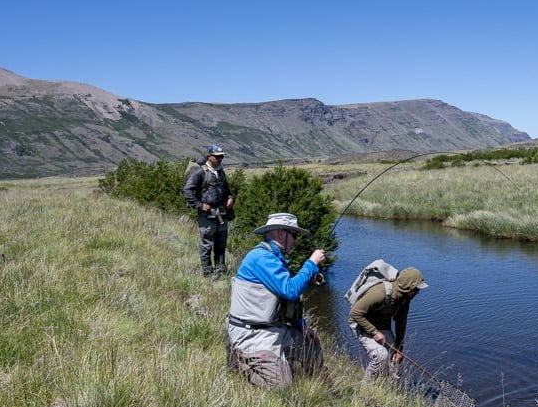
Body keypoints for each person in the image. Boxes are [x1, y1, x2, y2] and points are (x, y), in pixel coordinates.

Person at [226, 213, 327, 389]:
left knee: (311, 346)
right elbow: (290, 290)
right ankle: (241, 362)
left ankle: (321, 389)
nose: (295, 241)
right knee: (282, 386)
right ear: (281, 234)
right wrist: (311, 263)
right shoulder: (261, 258)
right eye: (294, 235)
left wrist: (301, 326)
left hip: (269, 328)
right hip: (251, 334)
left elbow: (284, 303)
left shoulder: (274, 258)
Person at [349, 267, 427, 381]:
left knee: (395, 359)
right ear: (407, 287)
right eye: (416, 289)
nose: (418, 292)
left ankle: (390, 388)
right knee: (381, 356)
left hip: (382, 327)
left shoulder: (405, 299)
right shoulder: (381, 292)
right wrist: (374, 332)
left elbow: (401, 323)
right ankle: (365, 388)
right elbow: (355, 313)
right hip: (361, 324)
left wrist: (399, 348)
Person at [182, 144, 235, 277]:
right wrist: (199, 205)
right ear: (209, 156)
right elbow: (187, 190)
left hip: (222, 213)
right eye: (217, 157)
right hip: (207, 214)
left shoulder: (221, 172)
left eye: (221, 157)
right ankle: (207, 273)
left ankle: (220, 272)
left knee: (221, 244)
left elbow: (227, 190)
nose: (220, 159)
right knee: (207, 245)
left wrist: (230, 198)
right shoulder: (200, 171)